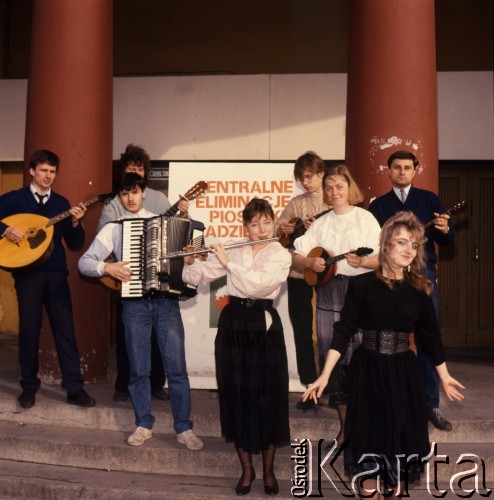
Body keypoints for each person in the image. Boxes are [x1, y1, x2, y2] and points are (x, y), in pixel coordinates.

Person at [303, 211, 465, 498]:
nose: (408, 250)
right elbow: (343, 331)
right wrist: (324, 375)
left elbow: (431, 339)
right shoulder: (362, 284)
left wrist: (445, 376)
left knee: (398, 458)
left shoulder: (420, 288)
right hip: (368, 372)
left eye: (414, 245)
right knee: (368, 451)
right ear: (386, 244)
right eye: (402, 242)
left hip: (403, 374)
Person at [79, 173, 203, 451]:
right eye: (124, 194)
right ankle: (143, 424)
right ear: (119, 197)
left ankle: (184, 428)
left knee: (177, 369)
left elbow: (194, 242)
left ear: (144, 192)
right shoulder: (115, 227)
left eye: (135, 192)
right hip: (134, 305)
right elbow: (84, 263)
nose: (130, 198)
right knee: (138, 369)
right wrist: (107, 268)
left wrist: (191, 250)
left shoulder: (169, 221)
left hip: (166, 302)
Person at [182, 198, 291, 496]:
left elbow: (261, 286)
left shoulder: (281, 253)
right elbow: (199, 276)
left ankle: (268, 471)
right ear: (246, 226)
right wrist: (192, 261)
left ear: (274, 223)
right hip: (233, 324)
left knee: (266, 396)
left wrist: (229, 264)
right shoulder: (236, 246)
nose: (261, 229)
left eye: (266, 222)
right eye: (254, 224)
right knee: (236, 393)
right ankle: (247, 469)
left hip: (263, 324)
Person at [292, 165, 380, 448]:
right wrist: (309, 263)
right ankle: (344, 429)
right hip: (329, 293)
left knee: (363, 360)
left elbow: (384, 259)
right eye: (329, 187)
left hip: (361, 291)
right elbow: (296, 256)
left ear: (349, 187)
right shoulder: (320, 222)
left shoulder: (366, 219)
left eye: (339, 186)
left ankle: (365, 427)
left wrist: (363, 262)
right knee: (336, 362)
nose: (334, 192)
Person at [0, 149, 96, 409]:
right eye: (43, 170)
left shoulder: (61, 204)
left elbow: (75, 245)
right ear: (32, 171)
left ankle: (75, 388)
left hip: (55, 274)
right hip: (27, 276)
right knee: (29, 331)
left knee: (65, 330)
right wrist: (5, 229)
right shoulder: (13, 200)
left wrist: (76, 224)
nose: (48, 176)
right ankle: (29, 386)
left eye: (52, 171)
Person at [368, 150, 456, 432]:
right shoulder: (379, 205)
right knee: (387, 339)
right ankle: (389, 401)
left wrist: (444, 228)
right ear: (389, 170)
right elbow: (372, 244)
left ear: (416, 170)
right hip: (389, 277)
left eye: (408, 167)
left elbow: (449, 239)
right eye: (397, 167)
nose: (402, 172)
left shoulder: (429, 199)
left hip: (423, 275)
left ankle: (430, 404)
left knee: (428, 338)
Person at [98, 143, 189, 402]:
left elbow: (174, 232)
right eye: (131, 167)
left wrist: (184, 214)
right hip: (125, 275)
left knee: (158, 332)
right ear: (123, 171)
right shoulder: (114, 203)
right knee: (128, 333)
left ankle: (156, 383)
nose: (136, 172)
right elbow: (103, 237)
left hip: (156, 274)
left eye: (140, 168)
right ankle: (123, 384)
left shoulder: (159, 199)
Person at [275, 151, 331, 410]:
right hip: (298, 274)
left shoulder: (334, 200)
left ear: (321, 173)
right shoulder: (296, 203)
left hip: (329, 274)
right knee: (302, 331)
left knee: (328, 332)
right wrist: (283, 229)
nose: (306, 182)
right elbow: (279, 232)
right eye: (302, 178)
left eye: (310, 176)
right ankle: (310, 387)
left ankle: (331, 386)